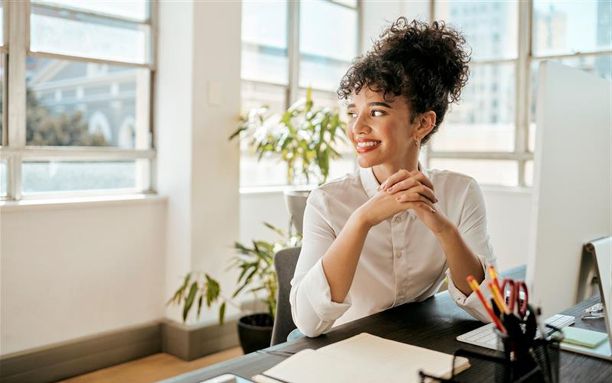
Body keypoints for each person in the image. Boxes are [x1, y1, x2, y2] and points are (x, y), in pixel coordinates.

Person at [289, 17, 496, 338]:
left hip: (419, 348)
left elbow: (492, 309)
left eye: (377, 112)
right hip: (345, 353)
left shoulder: (460, 191)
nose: (357, 128)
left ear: (422, 124)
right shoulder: (327, 202)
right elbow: (307, 322)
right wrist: (362, 220)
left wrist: (442, 228)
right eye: (352, 112)